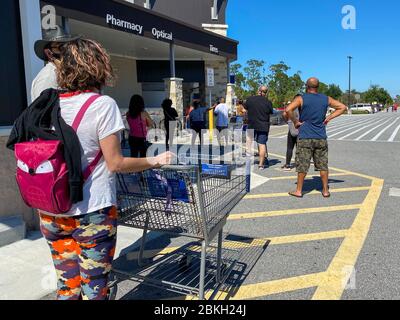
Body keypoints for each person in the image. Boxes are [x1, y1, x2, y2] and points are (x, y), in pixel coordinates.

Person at [30, 38, 172, 300]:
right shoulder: (102, 105)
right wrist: (155, 160)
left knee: (67, 286)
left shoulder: (49, 103)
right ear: (97, 66)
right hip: (92, 212)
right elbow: (116, 162)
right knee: (94, 289)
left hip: (52, 211)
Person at [286, 77, 347, 198]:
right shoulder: (325, 98)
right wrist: (329, 118)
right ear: (317, 87)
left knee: (302, 164)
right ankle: (325, 190)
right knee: (323, 165)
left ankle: (299, 190)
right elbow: (342, 107)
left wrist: (295, 121)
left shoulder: (301, 98)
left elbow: (288, 109)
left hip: (305, 137)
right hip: (320, 137)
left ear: (307, 86)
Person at [31, 25, 80, 101]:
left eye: (68, 46)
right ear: (48, 53)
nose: (67, 51)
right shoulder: (48, 78)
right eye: (61, 47)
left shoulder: (63, 74)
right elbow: (44, 111)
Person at [244, 86, 274, 170]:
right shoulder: (268, 102)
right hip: (263, 126)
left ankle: (248, 162)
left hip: (251, 124)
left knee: (249, 143)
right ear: (266, 92)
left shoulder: (250, 99)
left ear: (258, 91)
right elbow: (271, 112)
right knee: (262, 144)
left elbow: (245, 108)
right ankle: (261, 165)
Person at [282, 96, 301, 171]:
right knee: (299, 148)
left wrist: (287, 122)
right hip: (300, 128)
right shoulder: (302, 108)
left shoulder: (291, 107)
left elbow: (284, 114)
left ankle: (287, 164)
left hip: (292, 129)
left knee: (290, 148)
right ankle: (299, 165)